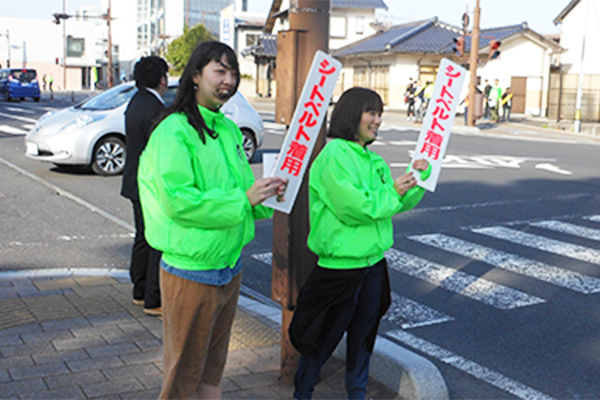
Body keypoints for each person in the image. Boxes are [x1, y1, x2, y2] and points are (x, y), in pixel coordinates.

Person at [137, 41, 287, 400]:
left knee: (212, 370)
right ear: (194, 76)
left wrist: (267, 194)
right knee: (182, 377)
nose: (229, 80)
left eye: (233, 72)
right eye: (220, 71)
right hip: (191, 270)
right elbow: (178, 201)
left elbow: (241, 190)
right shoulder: (174, 130)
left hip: (228, 266)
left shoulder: (228, 130)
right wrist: (244, 199)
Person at [289, 87, 431, 400]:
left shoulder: (373, 160)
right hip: (339, 267)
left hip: (373, 264)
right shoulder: (332, 157)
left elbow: (393, 204)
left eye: (379, 113)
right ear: (351, 114)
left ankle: (357, 392)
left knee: (364, 336)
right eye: (371, 113)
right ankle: (303, 393)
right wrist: (393, 192)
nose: (377, 120)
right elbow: (354, 208)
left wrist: (416, 178)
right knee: (321, 338)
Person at [120, 55, 169, 316]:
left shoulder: (136, 101)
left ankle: (139, 290)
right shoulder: (155, 109)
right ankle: (154, 299)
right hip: (148, 183)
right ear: (162, 79)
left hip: (133, 181)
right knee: (155, 240)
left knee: (142, 237)